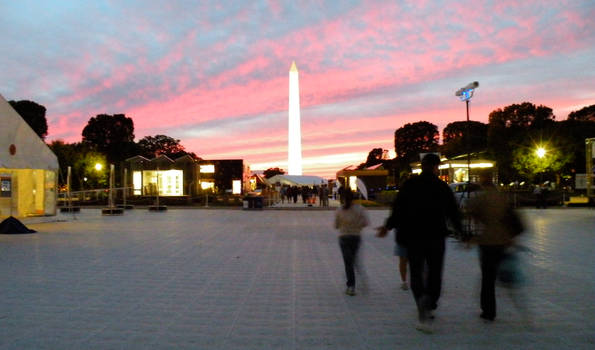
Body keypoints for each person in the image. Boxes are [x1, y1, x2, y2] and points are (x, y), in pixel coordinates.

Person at [377, 153, 462, 333]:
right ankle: (431, 300)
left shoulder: (410, 186)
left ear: (422, 166)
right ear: (435, 167)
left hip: (414, 237)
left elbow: (398, 208)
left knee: (415, 271)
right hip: (435, 236)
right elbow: (453, 213)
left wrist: (388, 226)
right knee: (434, 272)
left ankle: (421, 302)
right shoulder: (441, 187)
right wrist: (462, 233)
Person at [467, 174, 526, 322]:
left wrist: (471, 236)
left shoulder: (479, 199)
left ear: (482, 185)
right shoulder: (503, 198)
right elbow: (513, 219)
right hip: (502, 241)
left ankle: (488, 310)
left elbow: (470, 215)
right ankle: (510, 291)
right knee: (501, 268)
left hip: (487, 241)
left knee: (487, 277)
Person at [335, 190, 369, 296]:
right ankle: (355, 279)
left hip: (344, 237)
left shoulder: (340, 210)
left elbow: (336, 225)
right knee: (352, 260)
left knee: (348, 262)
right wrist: (356, 226)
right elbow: (365, 223)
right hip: (355, 237)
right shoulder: (360, 209)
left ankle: (351, 285)